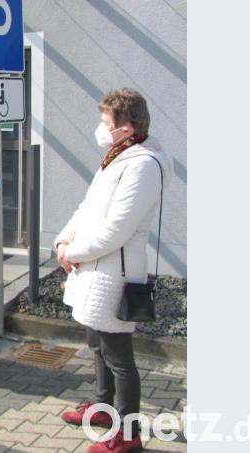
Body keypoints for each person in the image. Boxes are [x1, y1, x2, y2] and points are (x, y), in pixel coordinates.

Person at [55, 88, 173, 453]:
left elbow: (117, 229)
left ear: (127, 127)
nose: (101, 127)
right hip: (92, 267)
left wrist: (74, 251)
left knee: (119, 355)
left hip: (113, 273)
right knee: (97, 344)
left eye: (106, 121)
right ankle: (103, 408)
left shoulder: (143, 165)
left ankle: (129, 433)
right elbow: (87, 208)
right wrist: (62, 243)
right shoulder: (117, 155)